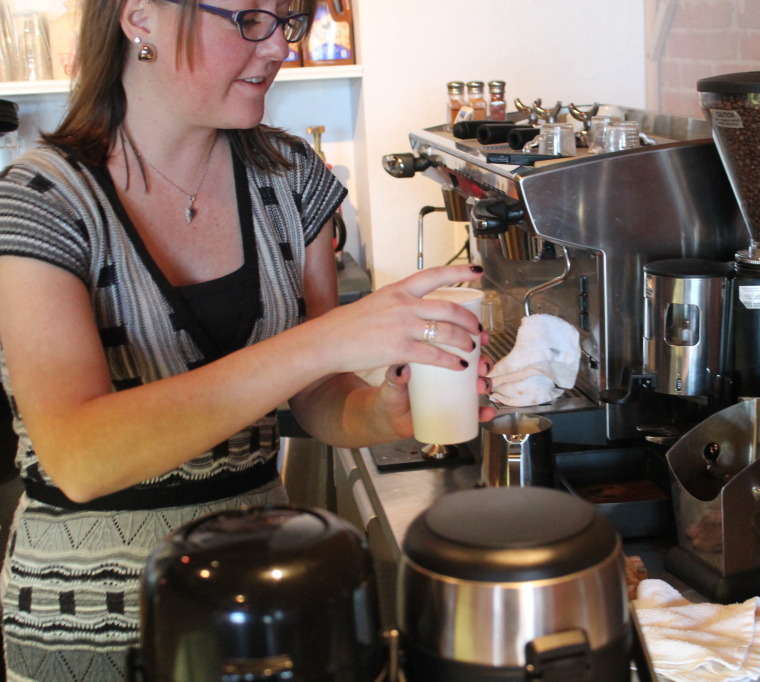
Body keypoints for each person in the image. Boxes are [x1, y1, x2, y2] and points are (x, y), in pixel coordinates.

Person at [0, 0, 494, 679]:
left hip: (263, 599)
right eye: (250, 19)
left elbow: (318, 393)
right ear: (140, 16)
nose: (279, 48)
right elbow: (78, 455)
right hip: (90, 626)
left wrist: (380, 413)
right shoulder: (41, 202)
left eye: (287, 21)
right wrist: (327, 340)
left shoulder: (290, 179)